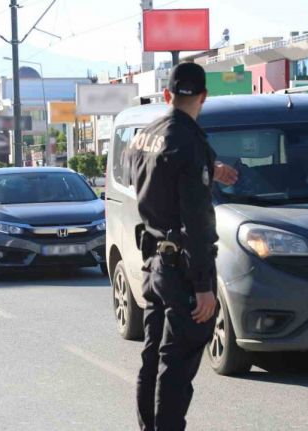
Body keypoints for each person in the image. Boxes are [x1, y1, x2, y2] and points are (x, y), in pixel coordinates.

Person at [125, 62, 238, 430]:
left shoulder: (145, 135)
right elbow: (197, 221)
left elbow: (156, 179)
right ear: (204, 97)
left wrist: (210, 167)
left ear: (167, 95)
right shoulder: (189, 143)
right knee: (176, 366)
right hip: (181, 270)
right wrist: (204, 285)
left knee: (152, 358)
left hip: (153, 262)